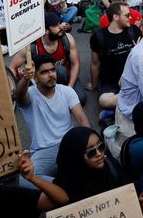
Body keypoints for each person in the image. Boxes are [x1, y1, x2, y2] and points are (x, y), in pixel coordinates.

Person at [16, 54, 91, 182]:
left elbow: (82, 119)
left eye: (52, 70)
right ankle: (62, 187)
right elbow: (20, 95)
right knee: (24, 179)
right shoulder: (30, 94)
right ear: (35, 77)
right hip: (44, 151)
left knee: (96, 161)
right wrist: (25, 79)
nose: (51, 75)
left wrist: (89, 143)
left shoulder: (67, 91)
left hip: (69, 143)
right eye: (44, 72)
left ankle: (64, 184)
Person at [53, 127, 143, 207]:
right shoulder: (65, 188)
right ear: (76, 157)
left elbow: (130, 201)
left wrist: (139, 206)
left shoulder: (111, 167)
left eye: (101, 146)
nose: (99, 153)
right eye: (91, 152)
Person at [10, 12, 86, 106]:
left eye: (59, 23)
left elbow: (75, 64)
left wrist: (70, 88)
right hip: (44, 81)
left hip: (65, 76)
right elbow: (12, 66)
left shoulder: (67, 39)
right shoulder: (32, 47)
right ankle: (53, 98)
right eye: (55, 25)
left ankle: (58, 98)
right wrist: (14, 88)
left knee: (81, 99)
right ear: (46, 30)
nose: (60, 27)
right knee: (58, 71)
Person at [89, 2, 142, 111]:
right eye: (127, 15)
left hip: (133, 80)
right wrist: (94, 85)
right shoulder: (98, 36)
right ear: (116, 17)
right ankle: (133, 102)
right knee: (104, 100)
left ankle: (121, 107)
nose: (130, 17)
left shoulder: (134, 31)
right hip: (110, 83)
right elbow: (95, 63)